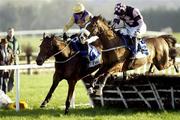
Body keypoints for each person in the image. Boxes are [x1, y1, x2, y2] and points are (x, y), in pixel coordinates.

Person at [6, 28, 21, 92]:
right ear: (7, 33)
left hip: (16, 61)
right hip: (8, 61)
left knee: (13, 76)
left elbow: (20, 50)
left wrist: (17, 52)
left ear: (14, 32)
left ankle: (10, 88)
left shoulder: (16, 40)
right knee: (7, 75)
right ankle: (5, 88)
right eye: (9, 32)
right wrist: (9, 52)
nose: (11, 33)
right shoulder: (5, 40)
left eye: (12, 32)